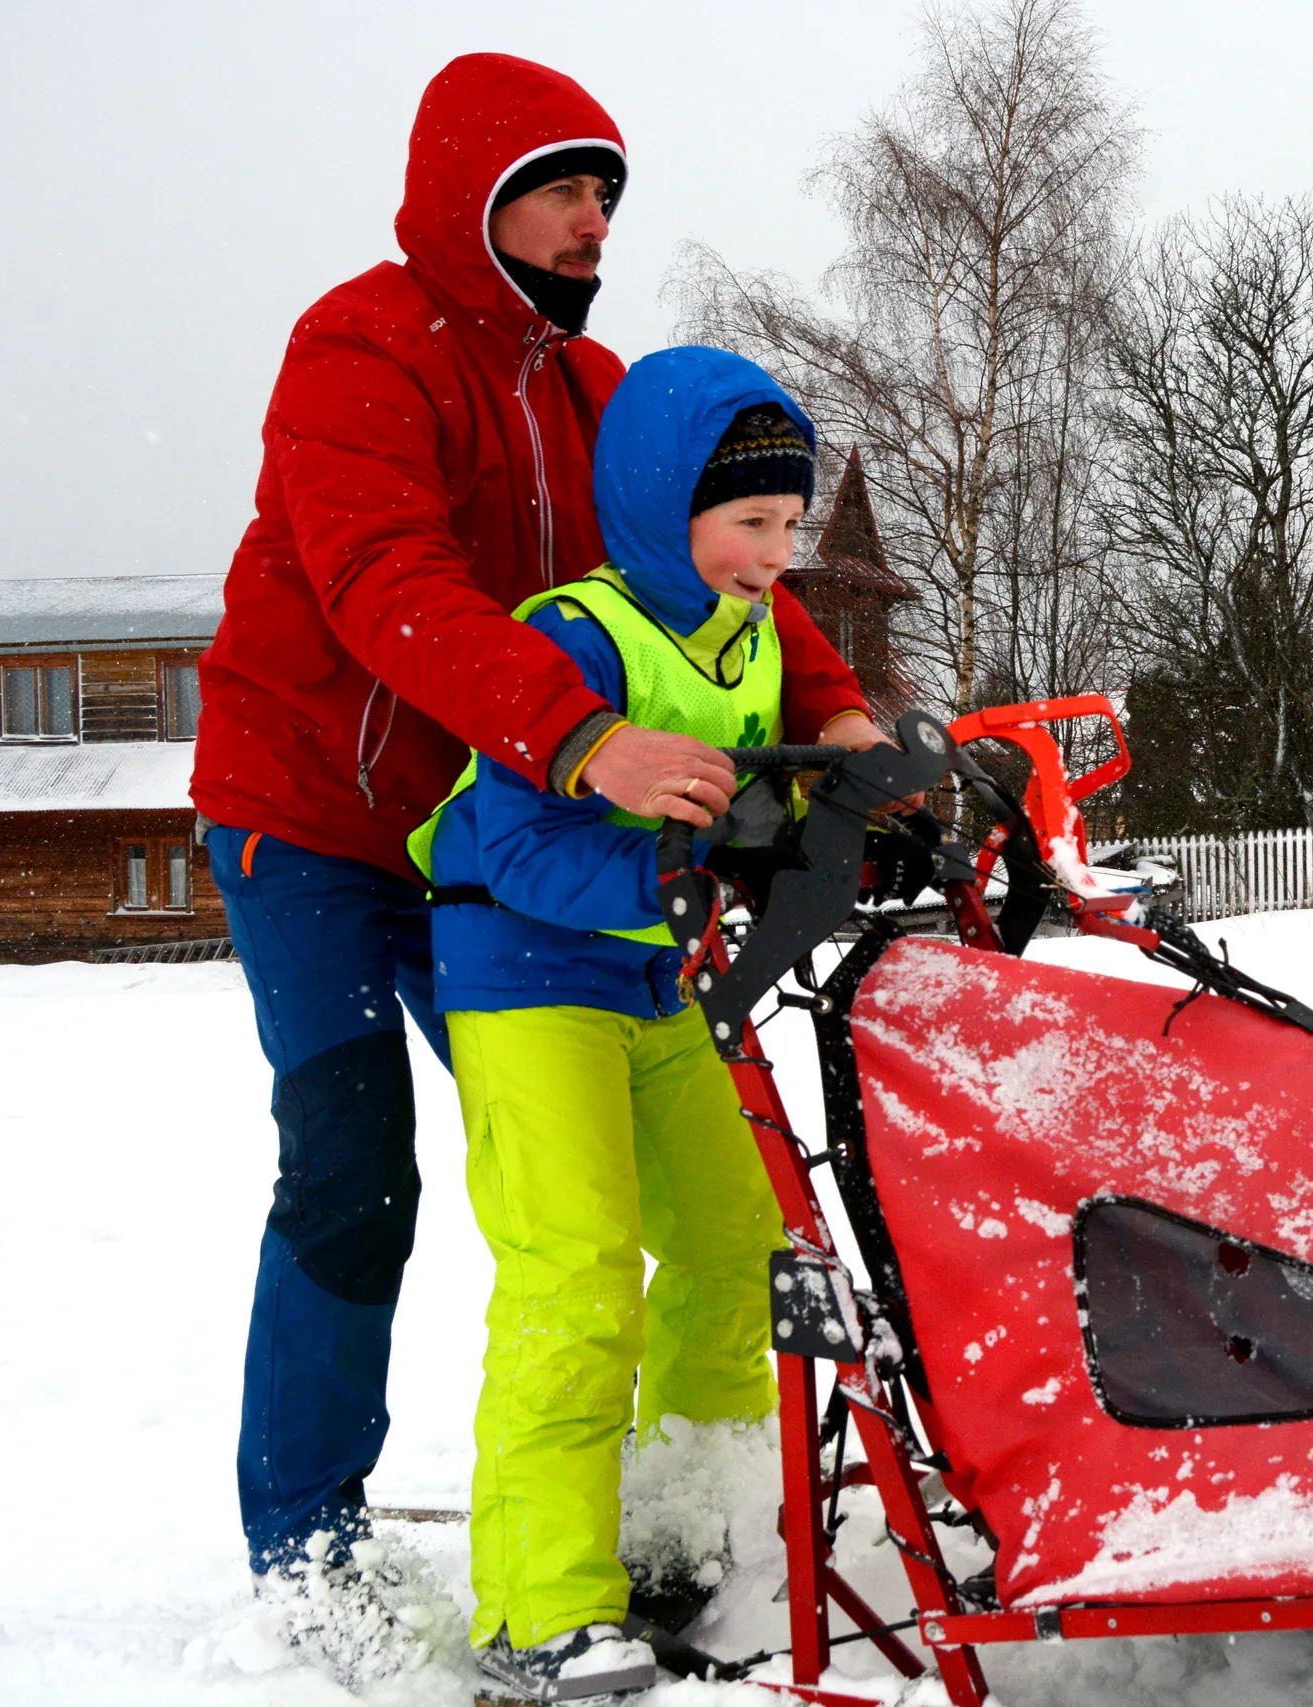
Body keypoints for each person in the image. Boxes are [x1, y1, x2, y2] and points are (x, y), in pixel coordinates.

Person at [190, 54, 799, 1587]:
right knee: (356, 1171)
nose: (596, 220)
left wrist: (847, 717)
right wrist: (588, 734)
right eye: (564, 188)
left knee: (672, 1186)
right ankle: (306, 1547)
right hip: (320, 826)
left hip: (503, 844)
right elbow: (387, 581)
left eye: (607, 193)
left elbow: (714, 558)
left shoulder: (596, 393)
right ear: (475, 196)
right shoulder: (360, 348)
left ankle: (670, 1508)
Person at [406, 345, 888, 1701]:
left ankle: (681, 1525)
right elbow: (518, 846)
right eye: (750, 523)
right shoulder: (577, 634)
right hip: (525, 973)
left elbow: (758, 789)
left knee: (738, 1243)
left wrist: (848, 795)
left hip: (661, 977)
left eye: (789, 525)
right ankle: (539, 1604)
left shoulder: (751, 639)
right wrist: (684, 874)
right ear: (662, 506)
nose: (775, 555)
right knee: (576, 1277)